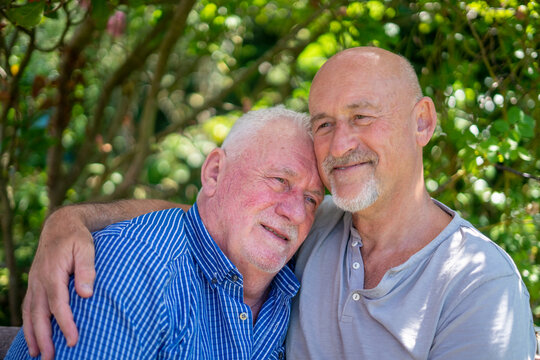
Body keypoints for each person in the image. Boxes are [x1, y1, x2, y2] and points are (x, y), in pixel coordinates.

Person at [19, 48, 537, 359]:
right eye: (325, 124)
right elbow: (193, 221)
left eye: (361, 117)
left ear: (422, 121)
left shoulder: (477, 284)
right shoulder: (317, 228)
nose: (338, 145)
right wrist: (74, 221)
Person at [7, 106, 324, 359]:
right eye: (279, 181)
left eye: (311, 199)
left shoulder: (297, 281)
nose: (296, 213)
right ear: (214, 173)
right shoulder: (132, 270)